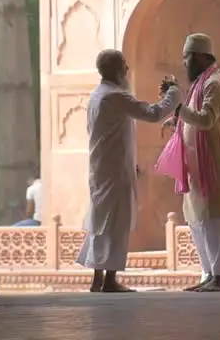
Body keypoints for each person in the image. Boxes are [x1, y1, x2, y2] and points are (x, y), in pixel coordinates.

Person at [77, 49, 181, 292]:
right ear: (115, 70)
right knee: (115, 223)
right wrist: (174, 91)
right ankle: (110, 280)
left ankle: (98, 278)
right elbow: (153, 113)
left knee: (101, 221)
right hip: (114, 171)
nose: (127, 69)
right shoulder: (114, 96)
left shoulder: (97, 95)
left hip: (103, 169)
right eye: (123, 65)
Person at [164, 33, 220, 292]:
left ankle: (219, 280)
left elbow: (206, 121)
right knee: (199, 222)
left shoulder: (216, 84)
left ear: (200, 57)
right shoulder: (200, 85)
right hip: (196, 170)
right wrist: (176, 121)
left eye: (187, 57)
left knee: (216, 223)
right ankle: (209, 275)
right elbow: (191, 120)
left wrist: (177, 109)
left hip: (213, 167)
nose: (184, 63)